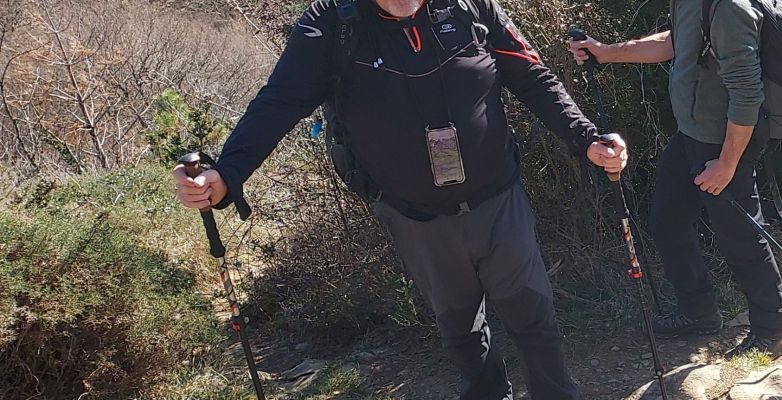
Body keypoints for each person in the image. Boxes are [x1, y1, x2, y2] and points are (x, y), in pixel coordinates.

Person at [171, 0, 610, 398]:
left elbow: (532, 75)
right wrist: (226, 174)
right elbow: (279, 101)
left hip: (497, 198)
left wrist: (587, 138)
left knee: (533, 317)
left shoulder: (471, 7)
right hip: (414, 216)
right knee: (459, 329)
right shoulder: (331, 25)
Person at [564, 0, 782, 359]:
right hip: (692, 133)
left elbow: (748, 94)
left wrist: (727, 164)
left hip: (725, 140)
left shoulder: (730, 8)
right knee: (667, 222)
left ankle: (771, 331)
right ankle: (698, 314)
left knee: (742, 237)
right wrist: (607, 53)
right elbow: (675, 41)